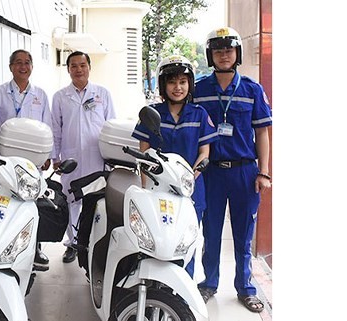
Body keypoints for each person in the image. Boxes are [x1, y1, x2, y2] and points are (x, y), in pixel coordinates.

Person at [193, 27, 272, 313]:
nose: (224, 55)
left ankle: (245, 288)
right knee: (210, 231)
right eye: (218, 50)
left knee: (243, 233)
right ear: (210, 55)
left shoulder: (252, 89)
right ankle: (209, 283)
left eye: (228, 50)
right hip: (211, 173)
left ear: (236, 53)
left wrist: (264, 172)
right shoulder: (199, 91)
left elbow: (262, 133)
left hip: (244, 173)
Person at [131, 55, 218, 278]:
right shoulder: (152, 114)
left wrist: (188, 179)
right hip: (157, 191)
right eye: (171, 82)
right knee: (156, 241)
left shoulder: (199, 114)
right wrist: (145, 190)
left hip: (191, 191)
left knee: (185, 243)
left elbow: (204, 152)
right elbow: (144, 154)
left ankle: (183, 290)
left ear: (189, 84)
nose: (177, 87)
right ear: (163, 85)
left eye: (182, 82)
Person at [0, 49, 53, 270]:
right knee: (7, 204)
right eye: (19, 63)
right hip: (6, 162)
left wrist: (48, 155)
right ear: (11, 66)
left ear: (32, 66)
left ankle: (35, 248)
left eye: (27, 63)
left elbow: (47, 126)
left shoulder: (40, 94)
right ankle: (4, 247)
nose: (23, 67)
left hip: (33, 163)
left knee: (34, 205)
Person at [51, 51, 116, 263]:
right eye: (74, 66)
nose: (79, 70)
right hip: (71, 158)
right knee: (71, 200)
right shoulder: (60, 97)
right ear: (68, 69)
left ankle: (93, 242)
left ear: (89, 67)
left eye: (82, 65)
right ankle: (72, 244)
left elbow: (111, 125)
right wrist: (55, 156)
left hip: (97, 156)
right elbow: (56, 129)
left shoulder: (102, 93)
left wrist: (112, 155)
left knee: (97, 199)